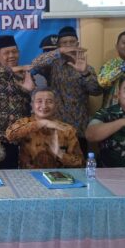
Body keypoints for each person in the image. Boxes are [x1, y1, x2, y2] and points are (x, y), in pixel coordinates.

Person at [31, 26, 102, 156]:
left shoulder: (87, 67)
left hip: (78, 129)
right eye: (64, 43)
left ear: (77, 44)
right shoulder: (52, 65)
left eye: (71, 42)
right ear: (59, 46)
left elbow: (97, 91)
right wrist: (59, 51)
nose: (69, 45)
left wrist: (84, 73)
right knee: (55, 164)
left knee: (78, 163)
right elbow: (35, 64)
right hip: (55, 126)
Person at [0, 35, 40, 169]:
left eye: (14, 52)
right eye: (7, 53)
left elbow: (35, 105)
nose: (11, 55)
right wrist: (12, 69)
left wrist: (30, 91)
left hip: (21, 138)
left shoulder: (25, 74)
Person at [6, 89, 84, 169]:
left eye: (49, 101)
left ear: (56, 105)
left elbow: (80, 162)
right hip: (29, 174)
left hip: (58, 175)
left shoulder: (66, 129)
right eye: (39, 101)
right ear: (32, 105)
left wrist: (60, 154)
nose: (44, 106)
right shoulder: (25, 123)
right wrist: (42, 123)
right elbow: (10, 135)